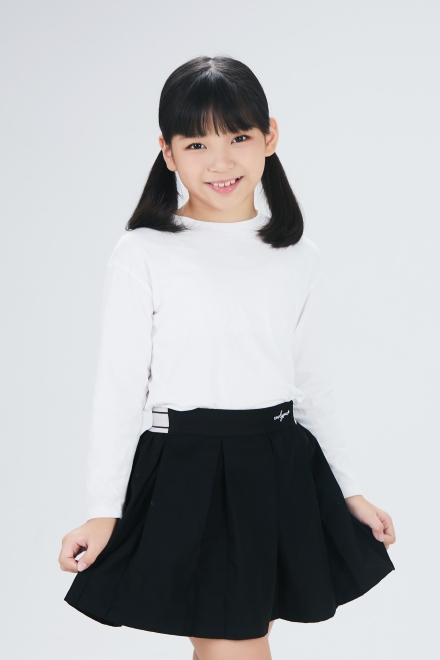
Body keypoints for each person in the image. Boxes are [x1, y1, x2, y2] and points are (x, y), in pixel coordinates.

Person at [59, 55, 396, 660]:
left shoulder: (296, 256)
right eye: (197, 144)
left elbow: (311, 386)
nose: (220, 162)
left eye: (238, 137)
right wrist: (103, 512)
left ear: (270, 136)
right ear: (167, 152)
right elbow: (118, 390)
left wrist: (350, 492)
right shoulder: (144, 253)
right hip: (187, 472)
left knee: (233, 642)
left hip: (280, 468)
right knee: (236, 646)